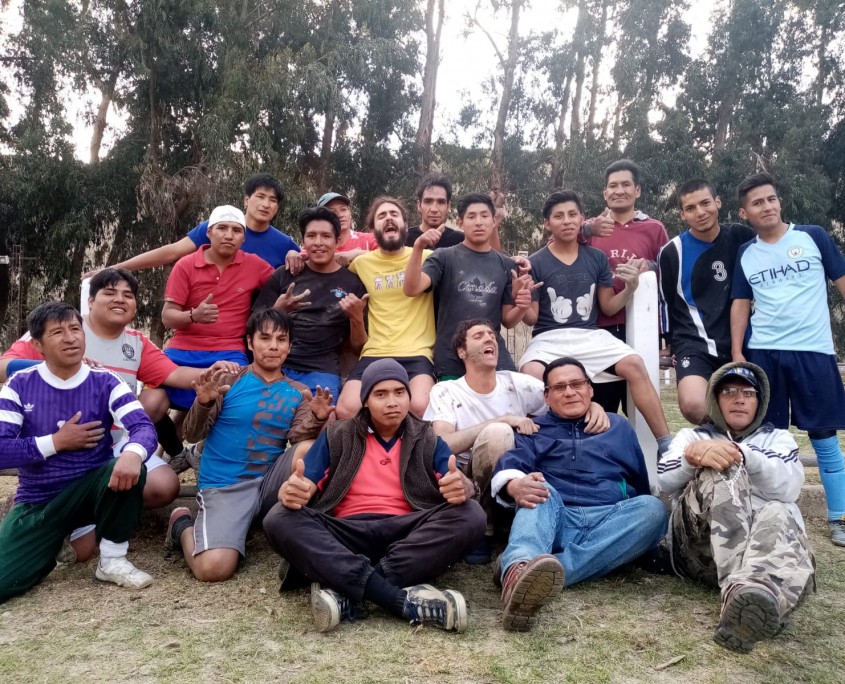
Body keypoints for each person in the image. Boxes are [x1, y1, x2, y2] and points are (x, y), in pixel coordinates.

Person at [262, 359, 486, 633]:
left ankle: (345, 590)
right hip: (346, 533)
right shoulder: (337, 435)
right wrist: (293, 492)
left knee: (471, 514)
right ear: (366, 400)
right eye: (381, 394)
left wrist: (465, 487)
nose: (392, 402)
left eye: (399, 392)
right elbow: (304, 485)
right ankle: (396, 599)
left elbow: (456, 481)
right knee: (279, 517)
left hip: (407, 534)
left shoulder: (427, 438)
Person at [491, 357, 668, 631]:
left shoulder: (618, 427)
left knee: (653, 508)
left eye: (577, 384)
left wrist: (644, 539)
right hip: (556, 520)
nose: (570, 392)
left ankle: (526, 572)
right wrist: (514, 485)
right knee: (539, 487)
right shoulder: (533, 430)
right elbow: (512, 466)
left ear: (590, 389)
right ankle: (520, 566)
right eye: (559, 387)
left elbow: (639, 481)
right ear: (547, 397)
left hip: (609, 522)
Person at [0, 302, 158, 602]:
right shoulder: (19, 384)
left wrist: (133, 453)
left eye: (75, 329)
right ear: (37, 344)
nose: (71, 338)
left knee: (128, 465)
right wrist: (56, 442)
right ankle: (44, 545)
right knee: (5, 582)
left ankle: (112, 560)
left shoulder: (105, 380)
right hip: (38, 500)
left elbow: (143, 427)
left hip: (91, 492)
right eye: (57, 332)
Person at [164, 309, 333, 582]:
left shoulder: (298, 391)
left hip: (268, 487)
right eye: (265, 338)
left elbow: (298, 439)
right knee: (213, 569)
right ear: (250, 342)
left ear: (290, 346)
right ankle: (181, 524)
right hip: (225, 487)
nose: (274, 346)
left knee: (308, 449)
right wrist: (204, 403)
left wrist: (317, 418)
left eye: (281, 339)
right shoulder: (229, 380)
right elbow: (192, 434)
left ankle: (301, 525)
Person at [657, 362, 814, 653]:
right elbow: (664, 480)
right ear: (715, 400)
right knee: (720, 467)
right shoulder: (692, 436)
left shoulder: (779, 439)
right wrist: (692, 458)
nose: (739, 399)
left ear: (760, 402)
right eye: (728, 391)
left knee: (780, 510)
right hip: (700, 552)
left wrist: (745, 455)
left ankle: (757, 596)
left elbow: (789, 489)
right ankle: (744, 592)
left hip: (761, 552)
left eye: (748, 393)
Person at [424, 318, 609, 562]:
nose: (489, 338)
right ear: (462, 351)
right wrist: (502, 419)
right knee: (499, 432)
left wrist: (592, 405)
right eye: (479, 336)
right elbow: (442, 444)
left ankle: (513, 519)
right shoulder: (447, 391)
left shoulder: (516, 383)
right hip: (466, 479)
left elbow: (560, 396)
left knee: (506, 437)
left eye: (492, 335)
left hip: (516, 469)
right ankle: (483, 526)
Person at [730, 171, 845, 546]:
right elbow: (741, 303)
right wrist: (737, 351)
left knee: (824, 437)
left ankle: (839, 517)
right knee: (768, 438)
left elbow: (841, 281)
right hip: (765, 354)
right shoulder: (746, 253)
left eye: (771, 199)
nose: (767, 206)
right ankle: (768, 512)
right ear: (744, 212)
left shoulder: (813, 237)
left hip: (815, 352)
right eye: (757, 202)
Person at [519, 190, 673, 453]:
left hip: (590, 335)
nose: (566, 221)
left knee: (634, 363)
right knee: (531, 373)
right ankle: (544, 446)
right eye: (558, 216)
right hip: (548, 338)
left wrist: (630, 288)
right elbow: (531, 318)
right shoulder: (535, 262)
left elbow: (608, 305)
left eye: (572, 214)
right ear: (547, 224)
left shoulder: (596, 258)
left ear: (582, 218)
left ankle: (666, 444)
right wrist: (521, 300)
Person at [404, 193, 536, 380]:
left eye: (484, 216)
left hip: (493, 355)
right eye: (471, 217)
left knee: (513, 394)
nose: (479, 222)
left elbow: (508, 320)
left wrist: (522, 306)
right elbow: (411, 289)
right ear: (460, 223)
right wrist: (418, 246)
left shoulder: (507, 265)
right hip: (451, 357)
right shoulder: (444, 257)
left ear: (494, 221)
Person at [658, 179, 755, 424]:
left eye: (705, 203)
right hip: (693, 341)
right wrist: (665, 341)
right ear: (682, 214)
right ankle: (721, 441)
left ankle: (735, 444)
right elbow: (665, 302)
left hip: (742, 339)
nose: (700, 212)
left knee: (752, 408)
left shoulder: (742, 237)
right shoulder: (672, 252)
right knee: (694, 405)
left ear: (717, 202)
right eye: (691, 208)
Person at [161, 205, 274, 411]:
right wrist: (193, 315)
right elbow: (167, 317)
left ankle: (196, 433)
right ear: (209, 232)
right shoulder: (185, 265)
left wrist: (295, 255)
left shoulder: (255, 265)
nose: (229, 236)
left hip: (229, 352)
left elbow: (282, 282)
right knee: (151, 403)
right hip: (181, 350)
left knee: (232, 400)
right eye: (222, 228)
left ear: (244, 238)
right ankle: (175, 436)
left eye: (236, 230)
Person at [335, 197, 436, 419]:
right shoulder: (361, 264)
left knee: (420, 407)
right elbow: (325, 261)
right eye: (382, 216)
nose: (389, 218)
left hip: (417, 352)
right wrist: (296, 254)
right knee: (345, 409)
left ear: (405, 224)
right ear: (373, 230)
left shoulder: (428, 258)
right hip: (376, 352)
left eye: (394, 214)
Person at [253, 207, 368, 399]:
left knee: (321, 415)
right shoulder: (285, 274)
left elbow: (358, 347)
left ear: (337, 240)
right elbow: (253, 327)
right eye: (311, 236)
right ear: (303, 240)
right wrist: (278, 310)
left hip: (322, 371)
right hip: (277, 365)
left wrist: (356, 317)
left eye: (326, 236)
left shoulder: (353, 283)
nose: (318, 242)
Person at [582, 160, 669, 414]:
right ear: (605, 192)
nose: (619, 190)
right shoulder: (590, 228)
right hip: (600, 329)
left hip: (642, 329)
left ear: (637, 190)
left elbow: (671, 271)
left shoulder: (654, 228)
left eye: (626, 185)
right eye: (613, 186)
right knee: (601, 409)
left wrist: (649, 267)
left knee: (640, 411)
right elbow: (556, 243)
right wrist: (587, 229)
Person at [83, 173, 300, 274]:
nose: (265, 204)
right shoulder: (216, 227)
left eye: (273, 200)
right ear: (246, 199)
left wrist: (296, 253)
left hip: (260, 329)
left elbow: (310, 264)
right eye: (260, 197)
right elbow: (171, 252)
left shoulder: (285, 244)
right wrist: (113, 269)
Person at [404, 173, 465, 249]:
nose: (434, 209)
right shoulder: (404, 239)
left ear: (448, 206)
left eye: (441, 202)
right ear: (419, 205)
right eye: (428, 201)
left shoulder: (461, 241)